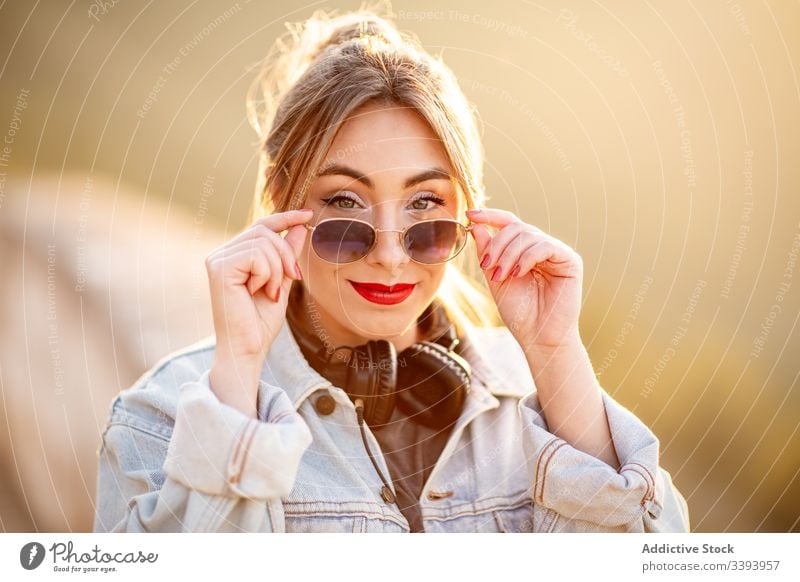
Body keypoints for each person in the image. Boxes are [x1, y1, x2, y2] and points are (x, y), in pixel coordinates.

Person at [92, 7, 690, 533]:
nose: (390, 254)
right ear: (281, 200)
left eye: (426, 205)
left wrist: (556, 352)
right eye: (344, 204)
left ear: (468, 209)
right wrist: (239, 381)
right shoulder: (161, 418)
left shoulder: (545, 391)